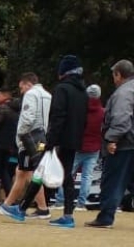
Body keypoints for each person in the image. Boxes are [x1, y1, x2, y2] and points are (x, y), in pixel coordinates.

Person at [11, 55, 87, 229]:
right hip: (74, 139)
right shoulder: (82, 92)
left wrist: (50, 141)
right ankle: (67, 215)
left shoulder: (62, 89)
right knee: (65, 176)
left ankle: (22, 209)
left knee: (40, 170)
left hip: (58, 140)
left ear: (63, 72)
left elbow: (58, 117)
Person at [0, 72, 52, 221]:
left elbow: (28, 116)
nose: (21, 91)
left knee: (22, 172)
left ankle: (8, 204)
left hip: (29, 138)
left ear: (28, 84)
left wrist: (21, 134)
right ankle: (43, 208)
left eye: (22, 88)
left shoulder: (31, 94)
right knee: (32, 172)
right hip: (41, 138)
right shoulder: (47, 95)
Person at [86, 59, 134, 228]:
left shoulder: (123, 93)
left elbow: (121, 118)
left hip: (124, 144)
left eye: (114, 75)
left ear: (119, 74)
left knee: (113, 181)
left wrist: (113, 138)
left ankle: (105, 216)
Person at [53, 83, 105, 212]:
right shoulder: (102, 112)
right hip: (94, 148)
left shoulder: (80, 110)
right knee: (87, 176)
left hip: (78, 146)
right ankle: (81, 204)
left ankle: (60, 201)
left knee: (67, 173)